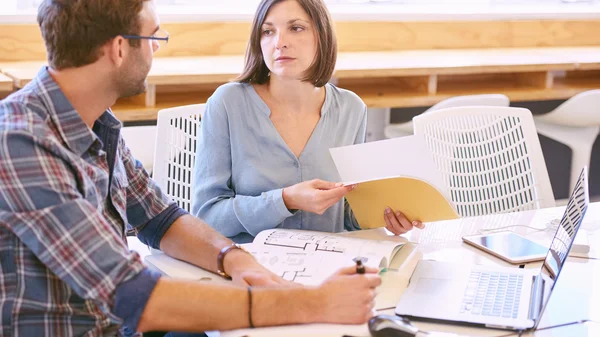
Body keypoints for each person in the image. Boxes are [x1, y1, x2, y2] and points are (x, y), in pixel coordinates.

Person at [0, 1, 381, 336]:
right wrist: (310, 304)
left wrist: (234, 258)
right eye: (153, 37)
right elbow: (134, 295)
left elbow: (161, 219)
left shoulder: (98, 123)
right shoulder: (21, 143)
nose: (155, 49)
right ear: (119, 49)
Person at [191, 0, 424, 243]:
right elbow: (206, 217)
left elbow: (345, 215)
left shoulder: (351, 108)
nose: (280, 42)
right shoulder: (228, 103)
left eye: (296, 28)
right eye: (268, 31)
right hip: (249, 266)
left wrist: (386, 215)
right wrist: (285, 200)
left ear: (322, 36)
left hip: (328, 265)